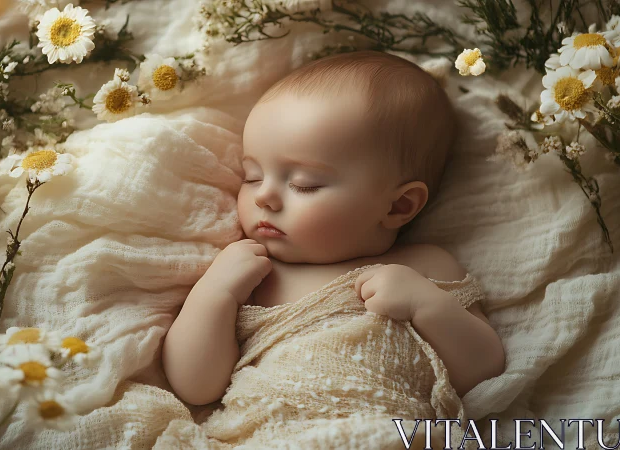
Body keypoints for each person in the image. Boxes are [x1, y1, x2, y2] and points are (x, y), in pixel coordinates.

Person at [161, 50, 506, 447]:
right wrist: (213, 294)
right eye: (252, 176)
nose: (265, 197)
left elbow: (483, 368)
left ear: (399, 206)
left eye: (305, 183)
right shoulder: (254, 274)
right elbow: (196, 386)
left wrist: (426, 305)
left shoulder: (423, 266)